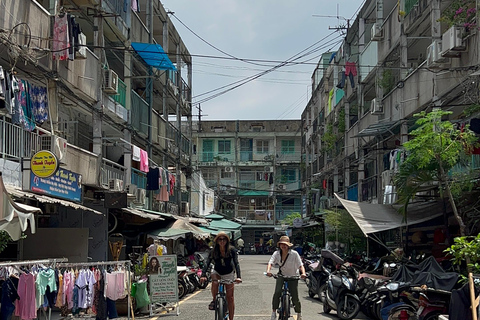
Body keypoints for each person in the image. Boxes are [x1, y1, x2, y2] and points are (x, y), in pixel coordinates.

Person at [200, 232, 242, 320]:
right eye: (220, 239)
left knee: (230, 298)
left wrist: (239, 277)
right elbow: (207, 262)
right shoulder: (213, 251)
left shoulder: (232, 250)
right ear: (217, 241)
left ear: (227, 240)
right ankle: (214, 299)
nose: (222, 241)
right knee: (215, 282)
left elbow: (236, 263)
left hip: (228, 273)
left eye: (224, 239)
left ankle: (231, 318)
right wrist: (203, 275)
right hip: (217, 272)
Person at [266, 235, 306, 320]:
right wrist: (268, 271)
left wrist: (303, 273)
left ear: (288, 245)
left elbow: (301, 265)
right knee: (277, 293)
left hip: (293, 277)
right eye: (282, 244)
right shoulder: (276, 253)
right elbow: (271, 263)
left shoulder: (294, 254)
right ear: (279, 245)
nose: (283, 246)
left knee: (295, 297)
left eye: (285, 244)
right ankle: (273, 312)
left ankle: (299, 313)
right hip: (282, 276)